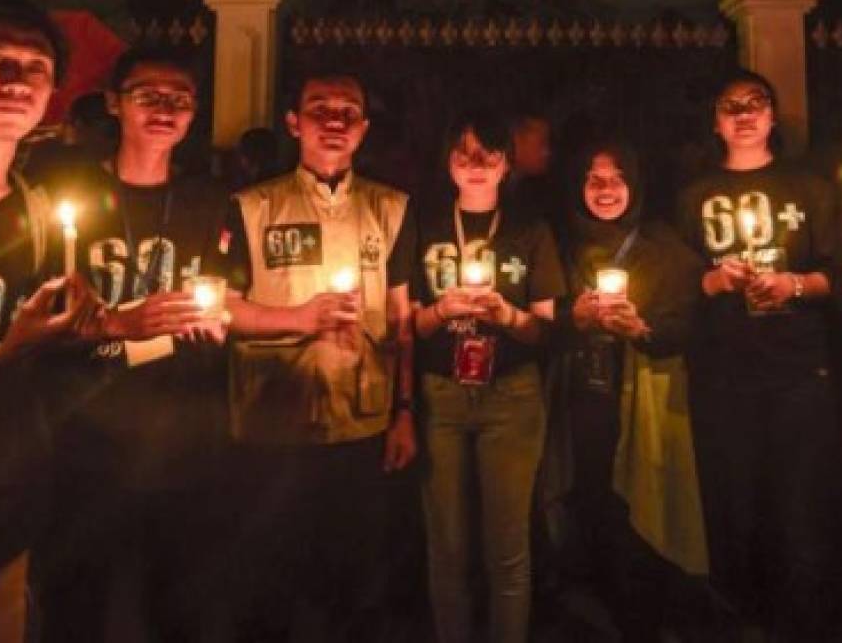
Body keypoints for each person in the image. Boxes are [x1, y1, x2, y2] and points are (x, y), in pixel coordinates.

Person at [38, 44, 233, 643]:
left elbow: (221, 291)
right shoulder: (62, 192)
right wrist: (116, 323)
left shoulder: (206, 199)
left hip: (180, 430)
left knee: (179, 600)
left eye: (180, 100)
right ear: (117, 104)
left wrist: (214, 319)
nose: (165, 109)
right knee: (79, 603)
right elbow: (39, 311)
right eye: (149, 95)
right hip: (85, 429)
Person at [219, 65, 417, 641]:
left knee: (354, 581)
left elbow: (402, 319)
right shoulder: (252, 207)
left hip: (362, 419)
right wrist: (299, 318)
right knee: (271, 580)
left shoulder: (392, 208)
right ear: (293, 122)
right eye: (320, 108)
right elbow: (224, 309)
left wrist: (405, 412)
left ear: (364, 128)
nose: (335, 121)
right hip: (271, 417)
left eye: (348, 112)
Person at [0, 0, 98, 643]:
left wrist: (116, 324)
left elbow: (41, 352)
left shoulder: (35, 213)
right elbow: (6, 350)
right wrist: (2, 353)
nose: (16, 79)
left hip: (3, 521)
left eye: (34, 66)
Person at [676, 69, 840, 641]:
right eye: (731, 105)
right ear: (716, 122)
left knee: (800, 514)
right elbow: (679, 285)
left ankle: (803, 622)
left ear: (773, 117)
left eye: (756, 103)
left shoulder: (810, 187)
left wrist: (794, 286)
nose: (744, 113)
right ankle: (742, 620)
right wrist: (717, 282)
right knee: (734, 506)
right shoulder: (692, 195)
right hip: (725, 376)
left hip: (799, 374)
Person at [411, 110, 565, 643]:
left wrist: (507, 317)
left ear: (506, 166)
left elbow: (545, 330)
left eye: (488, 156)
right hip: (441, 396)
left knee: (508, 544)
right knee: (447, 545)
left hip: (511, 397)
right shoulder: (424, 224)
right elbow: (405, 321)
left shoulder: (530, 229)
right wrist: (440, 311)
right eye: (465, 155)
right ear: (449, 164)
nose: (476, 166)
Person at [548, 140, 707, 642]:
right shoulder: (561, 243)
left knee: (639, 506)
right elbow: (541, 315)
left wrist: (640, 328)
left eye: (616, 179)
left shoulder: (662, 245)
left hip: (641, 396)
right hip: (580, 395)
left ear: (634, 186)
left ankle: (643, 615)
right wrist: (574, 317)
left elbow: (688, 323)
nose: (605, 190)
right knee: (587, 496)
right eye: (594, 180)